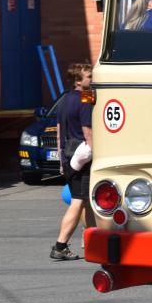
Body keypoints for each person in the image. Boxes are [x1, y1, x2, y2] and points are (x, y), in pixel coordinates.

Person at [51, 62, 93, 260]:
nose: (92, 79)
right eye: (89, 76)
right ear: (78, 81)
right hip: (82, 158)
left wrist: (61, 162)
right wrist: (95, 149)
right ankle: (60, 246)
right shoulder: (85, 98)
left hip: (68, 158)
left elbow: (60, 132)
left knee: (83, 200)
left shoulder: (64, 99)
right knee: (78, 201)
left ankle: (92, 241)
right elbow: (87, 130)